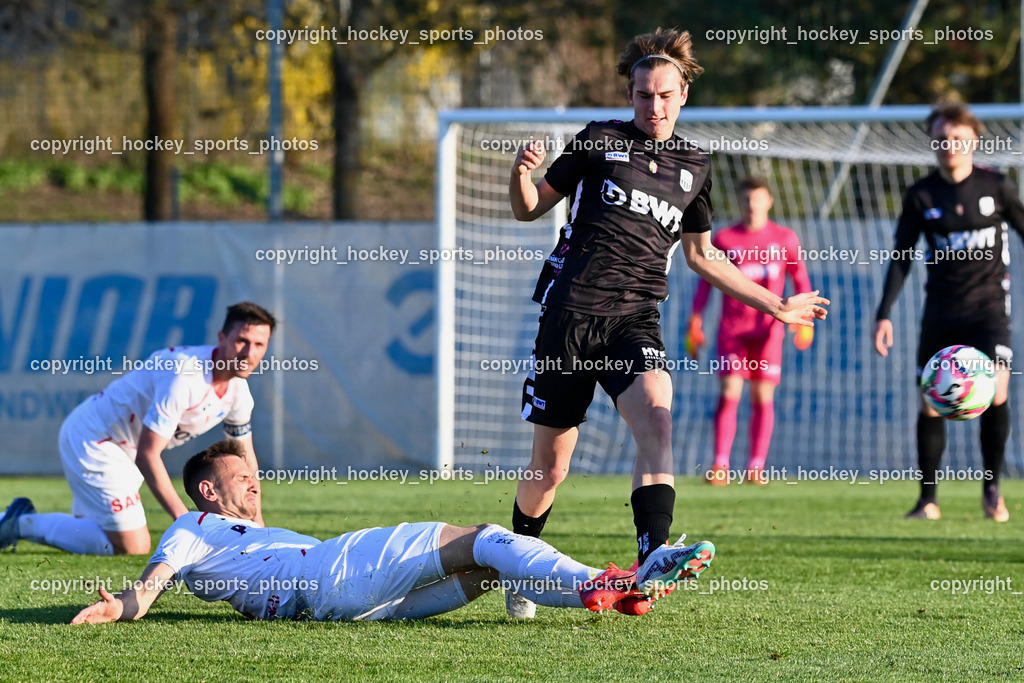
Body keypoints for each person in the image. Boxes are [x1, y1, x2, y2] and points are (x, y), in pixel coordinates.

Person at [506, 27, 828, 618]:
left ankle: (653, 554)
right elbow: (530, 209)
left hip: (636, 317)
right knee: (551, 468)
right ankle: (521, 564)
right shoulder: (598, 141)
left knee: (658, 414)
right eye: (642, 95)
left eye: (663, 95)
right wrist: (521, 176)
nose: (653, 106)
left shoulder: (695, 166)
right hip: (570, 316)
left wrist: (777, 305)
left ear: (683, 97)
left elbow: (702, 257)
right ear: (630, 96)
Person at [70, 440, 716, 624]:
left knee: (489, 570)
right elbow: (151, 586)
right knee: (484, 535)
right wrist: (122, 604)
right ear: (209, 490)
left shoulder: (242, 534)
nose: (255, 481)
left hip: (344, 609)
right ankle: (613, 578)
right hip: (326, 573)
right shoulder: (195, 524)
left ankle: (604, 594)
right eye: (242, 476)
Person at [0, 302, 276, 555]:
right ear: (221, 338)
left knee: (101, 532)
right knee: (134, 545)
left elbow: (245, 460)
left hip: (125, 451)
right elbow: (148, 454)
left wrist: (257, 521)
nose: (249, 353)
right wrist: (188, 523)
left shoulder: (239, 393)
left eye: (259, 345)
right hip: (97, 440)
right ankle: (17, 523)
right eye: (242, 341)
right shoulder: (186, 376)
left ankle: (22, 520)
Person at [873, 102, 1024, 522]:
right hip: (941, 312)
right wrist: (884, 312)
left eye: (957, 138)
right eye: (941, 138)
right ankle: (928, 500)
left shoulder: (998, 186)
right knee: (929, 401)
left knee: (996, 390)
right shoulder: (921, 194)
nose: (949, 146)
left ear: (973, 140)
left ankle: (992, 492)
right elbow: (901, 256)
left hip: (990, 310)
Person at [687, 177, 813, 485]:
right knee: (729, 394)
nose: (751, 205)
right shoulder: (726, 238)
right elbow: (707, 279)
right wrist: (695, 319)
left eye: (757, 199)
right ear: (740, 203)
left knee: (762, 396)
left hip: (769, 331)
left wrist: (803, 321)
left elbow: (800, 279)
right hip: (733, 330)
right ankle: (720, 466)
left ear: (769, 201)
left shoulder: (785, 238)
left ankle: (756, 467)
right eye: (746, 200)